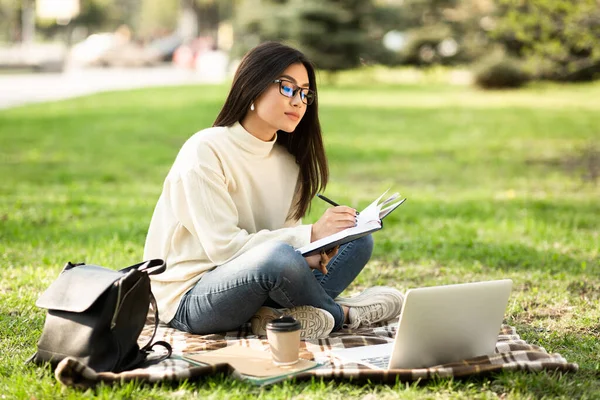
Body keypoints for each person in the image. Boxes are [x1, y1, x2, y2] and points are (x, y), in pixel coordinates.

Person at [143, 41, 404, 339]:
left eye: (305, 93)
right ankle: (344, 313)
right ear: (252, 87)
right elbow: (224, 248)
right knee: (278, 257)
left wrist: (314, 250)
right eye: (288, 88)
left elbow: (283, 244)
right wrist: (311, 235)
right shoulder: (205, 150)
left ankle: (275, 318)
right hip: (191, 298)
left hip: (257, 287)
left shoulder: (290, 164)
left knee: (359, 239)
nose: (299, 101)